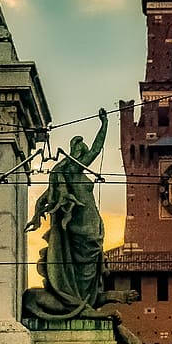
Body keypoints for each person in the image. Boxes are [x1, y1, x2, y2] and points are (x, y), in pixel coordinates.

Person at [23, 110, 109, 319]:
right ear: (75, 152)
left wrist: (104, 123)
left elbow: (97, 149)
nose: (85, 151)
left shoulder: (74, 171)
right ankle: (78, 301)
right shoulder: (67, 172)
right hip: (79, 225)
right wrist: (104, 124)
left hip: (92, 222)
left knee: (90, 263)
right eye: (81, 148)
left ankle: (83, 300)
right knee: (82, 264)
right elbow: (45, 198)